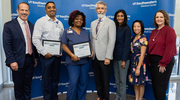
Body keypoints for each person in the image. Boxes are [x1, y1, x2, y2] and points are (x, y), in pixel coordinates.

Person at [3, 2, 38, 100]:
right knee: (19, 88)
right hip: (17, 61)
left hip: (30, 61)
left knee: (28, 86)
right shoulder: (9, 25)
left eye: (26, 10)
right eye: (22, 10)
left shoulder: (31, 25)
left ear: (29, 12)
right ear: (17, 11)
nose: (24, 12)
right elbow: (7, 44)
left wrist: (35, 57)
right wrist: (11, 61)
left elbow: (34, 43)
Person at [32, 1, 64, 100]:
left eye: (53, 7)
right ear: (45, 10)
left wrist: (60, 50)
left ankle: (54, 98)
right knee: (46, 81)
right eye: (49, 7)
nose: (52, 9)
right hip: (46, 57)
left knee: (55, 80)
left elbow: (61, 39)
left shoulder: (59, 23)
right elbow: (35, 39)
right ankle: (47, 98)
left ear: (56, 9)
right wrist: (44, 53)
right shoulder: (41, 21)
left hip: (56, 57)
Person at [61, 10, 93, 100]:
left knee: (83, 83)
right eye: (77, 19)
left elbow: (89, 43)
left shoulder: (85, 32)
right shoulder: (67, 31)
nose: (79, 21)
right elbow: (63, 45)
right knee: (73, 82)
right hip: (72, 62)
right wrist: (72, 55)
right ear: (72, 19)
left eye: (81, 19)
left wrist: (91, 51)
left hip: (85, 62)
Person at [147, 10, 177, 100]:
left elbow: (170, 48)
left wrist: (163, 63)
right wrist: (149, 60)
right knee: (155, 88)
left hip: (163, 62)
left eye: (161, 17)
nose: (159, 19)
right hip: (153, 62)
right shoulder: (154, 32)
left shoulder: (169, 30)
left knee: (160, 89)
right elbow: (151, 48)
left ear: (165, 18)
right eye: (157, 17)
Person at [90, 1, 116, 100]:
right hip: (95, 56)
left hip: (105, 57)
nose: (100, 10)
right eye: (98, 8)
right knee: (98, 79)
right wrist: (92, 52)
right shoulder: (93, 23)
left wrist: (108, 57)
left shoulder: (110, 23)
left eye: (102, 8)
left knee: (105, 80)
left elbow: (112, 40)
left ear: (105, 10)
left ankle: (105, 98)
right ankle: (100, 96)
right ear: (96, 10)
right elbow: (92, 39)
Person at [113, 9, 131, 100]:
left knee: (122, 81)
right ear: (116, 17)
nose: (120, 17)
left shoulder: (127, 28)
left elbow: (127, 45)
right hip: (115, 58)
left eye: (122, 16)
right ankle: (117, 97)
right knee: (117, 80)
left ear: (124, 17)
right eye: (118, 16)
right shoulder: (114, 27)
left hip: (123, 59)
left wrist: (123, 60)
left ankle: (122, 98)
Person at [128, 20, 148, 100]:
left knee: (141, 83)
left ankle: (140, 99)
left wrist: (138, 68)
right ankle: (136, 98)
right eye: (134, 26)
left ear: (141, 27)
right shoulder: (132, 38)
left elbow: (142, 54)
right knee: (135, 83)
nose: (136, 28)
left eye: (138, 26)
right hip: (133, 63)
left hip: (140, 64)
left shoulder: (143, 38)